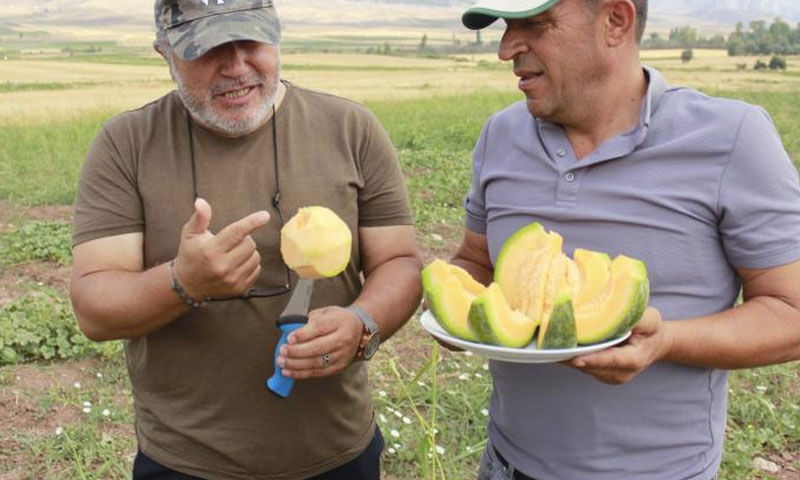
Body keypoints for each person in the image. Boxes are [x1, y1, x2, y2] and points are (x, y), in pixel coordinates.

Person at [69, 1, 423, 479]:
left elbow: (399, 261)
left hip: (338, 452)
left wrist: (362, 322)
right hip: (184, 463)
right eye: (208, 48)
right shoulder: (125, 144)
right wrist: (182, 282)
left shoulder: (350, 128)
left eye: (251, 42)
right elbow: (94, 307)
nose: (236, 67)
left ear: (276, 35)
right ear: (165, 53)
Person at [450, 0, 800, 479]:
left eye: (534, 24)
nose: (506, 48)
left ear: (615, 21)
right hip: (507, 464)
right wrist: (452, 309)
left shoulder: (732, 137)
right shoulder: (500, 134)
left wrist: (667, 341)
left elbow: (792, 311)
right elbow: (475, 259)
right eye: (505, 27)